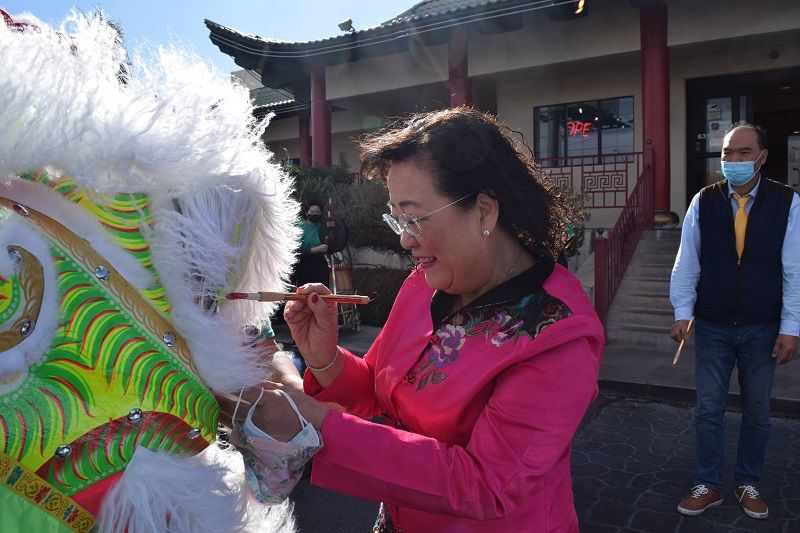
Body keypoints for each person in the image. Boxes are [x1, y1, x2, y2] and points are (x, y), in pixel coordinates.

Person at [220, 108, 604, 532]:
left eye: (415, 218)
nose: (404, 239)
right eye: (397, 218)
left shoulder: (558, 331)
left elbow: (489, 484)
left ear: (484, 210)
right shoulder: (426, 284)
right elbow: (380, 390)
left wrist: (314, 423)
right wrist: (326, 358)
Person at [670, 123, 799, 520]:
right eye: (727, 153)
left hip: (762, 325)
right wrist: (682, 311)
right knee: (708, 409)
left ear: (762, 156)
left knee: (757, 411)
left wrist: (791, 327)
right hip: (712, 323)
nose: (734, 161)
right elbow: (687, 261)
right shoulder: (704, 201)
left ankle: (748, 482)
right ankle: (709, 484)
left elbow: (794, 268)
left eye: (744, 153)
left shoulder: (787, 202)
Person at [292, 200, 330, 286]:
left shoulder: (323, 227)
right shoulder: (299, 227)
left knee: (322, 290)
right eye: (312, 212)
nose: (315, 214)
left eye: (318, 212)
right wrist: (315, 249)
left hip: (320, 263)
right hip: (303, 264)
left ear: (321, 214)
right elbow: (297, 250)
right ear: (306, 213)